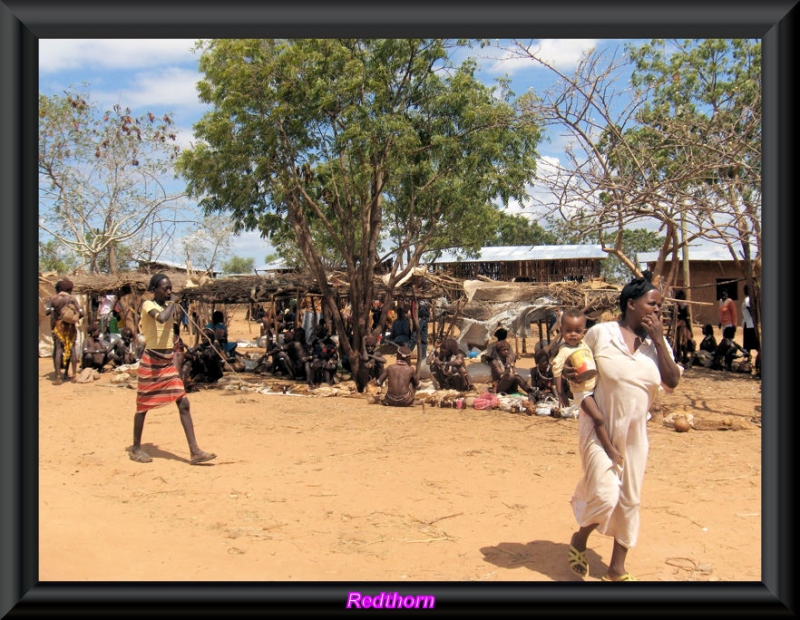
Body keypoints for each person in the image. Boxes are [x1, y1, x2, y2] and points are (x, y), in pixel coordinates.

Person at [565, 271, 680, 582]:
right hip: (598, 425)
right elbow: (578, 375)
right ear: (632, 304)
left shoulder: (657, 345)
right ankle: (580, 537)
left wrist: (658, 340)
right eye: (652, 304)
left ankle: (617, 568)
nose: (658, 310)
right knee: (604, 494)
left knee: (630, 498)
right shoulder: (601, 334)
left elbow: (672, 381)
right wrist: (590, 409)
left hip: (635, 433)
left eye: (659, 306)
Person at [128, 273, 215, 466]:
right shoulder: (148, 305)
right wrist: (173, 303)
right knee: (143, 406)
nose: (169, 291)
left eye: (170, 288)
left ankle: (195, 452)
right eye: (165, 288)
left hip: (166, 362)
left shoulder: (168, 306)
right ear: (154, 290)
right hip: (151, 362)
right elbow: (161, 319)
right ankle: (135, 448)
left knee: (183, 403)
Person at [551, 308, 598, 409]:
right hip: (582, 392)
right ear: (561, 330)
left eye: (577, 331)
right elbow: (556, 370)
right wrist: (561, 393)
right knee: (598, 419)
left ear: (583, 333)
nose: (573, 334)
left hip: (594, 389)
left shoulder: (583, 344)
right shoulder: (564, 350)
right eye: (568, 331)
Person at [48, 278, 84, 385]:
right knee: (72, 349)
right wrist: (72, 317)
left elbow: (47, 312)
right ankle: (73, 375)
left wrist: (54, 311)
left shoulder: (54, 299)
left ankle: (58, 377)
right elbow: (81, 313)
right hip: (71, 327)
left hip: (59, 326)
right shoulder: (72, 300)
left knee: (59, 349)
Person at [741, 285, 759, 358]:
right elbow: (751, 311)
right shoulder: (748, 299)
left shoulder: (747, 299)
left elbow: (751, 310)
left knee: (751, 343)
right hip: (749, 323)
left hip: (749, 324)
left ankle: (750, 358)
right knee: (750, 344)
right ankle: (748, 358)